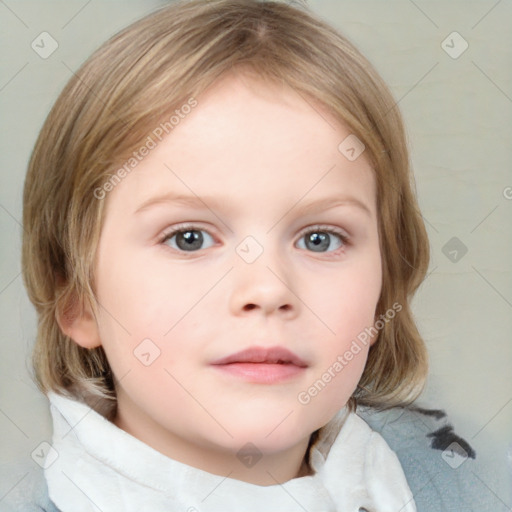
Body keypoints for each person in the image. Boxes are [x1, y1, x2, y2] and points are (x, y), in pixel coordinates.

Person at [13, 0, 488, 510]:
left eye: (319, 239)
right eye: (189, 238)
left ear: (383, 290)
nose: (267, 289)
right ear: (76, 296)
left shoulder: (473, 484)